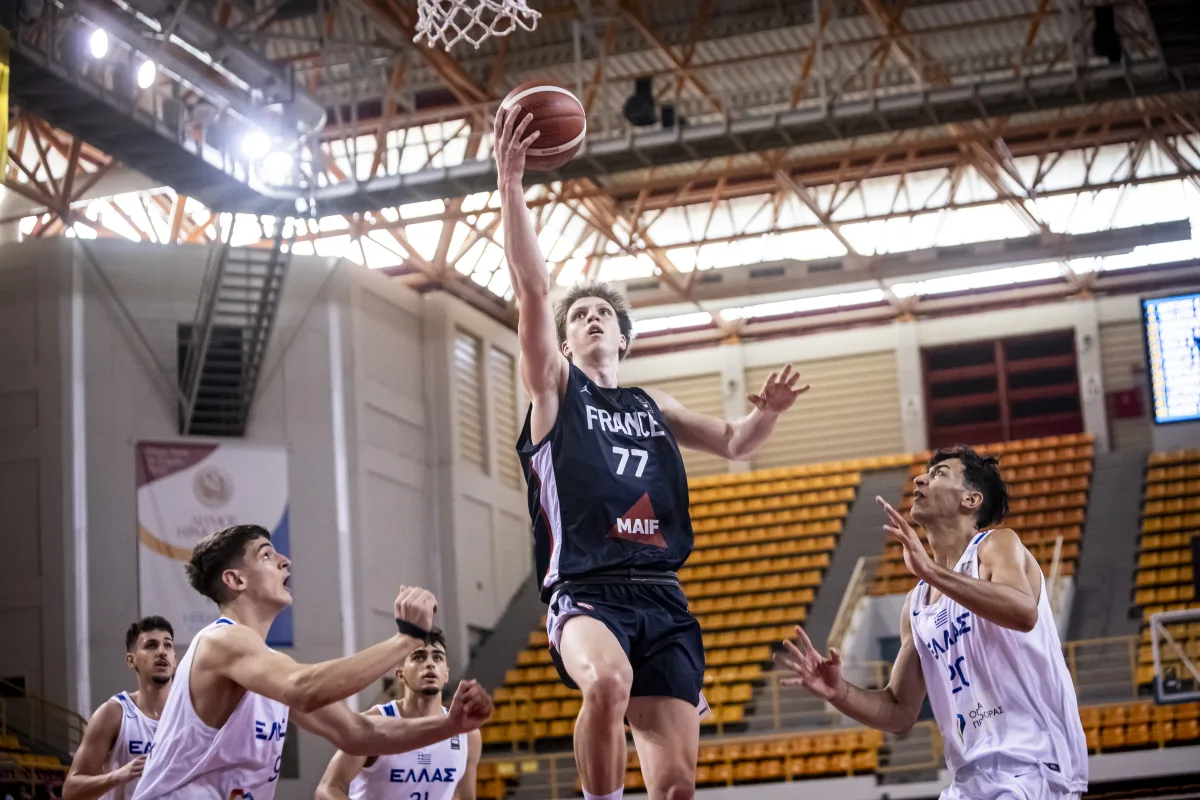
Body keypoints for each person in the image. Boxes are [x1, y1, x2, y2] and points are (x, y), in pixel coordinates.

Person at [493, 106, 810, 800]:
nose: (591, 318)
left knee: (676, 789)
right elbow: (532, 287)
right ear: (564, 342)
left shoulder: (653, 405)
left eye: (603, 313)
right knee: (607, 682)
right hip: (587, 589)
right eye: (580, 316)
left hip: (663, 596)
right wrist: (511, 183)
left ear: (624, 339)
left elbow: (734, 442)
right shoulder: (555, 390)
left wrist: (767, 412)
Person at [776, 446, 1088, 800]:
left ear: (971, 499)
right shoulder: (917, 603)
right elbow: (899, 710)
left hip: (1035, 765)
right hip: (970, 778)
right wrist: (839, 692)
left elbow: (1022, 611)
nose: (920, 479)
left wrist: (931, 571)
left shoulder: (996, 545)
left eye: (939, 474)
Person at [132, 524, 492, 800]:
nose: (284, 561)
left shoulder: (266, 667)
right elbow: (303, 688)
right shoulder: (220, 641)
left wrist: (450, 725)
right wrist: (407, 639)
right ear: (236, 579)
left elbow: (358, 734)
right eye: (266, 555)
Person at [315, 630, 481, 800]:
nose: (430, 664)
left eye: (437, 657)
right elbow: (327, 790)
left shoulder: (467, 735)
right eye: (419, 657)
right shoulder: (372, 724)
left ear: (446, 674)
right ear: (400, 674)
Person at [62, 616, 176, 800]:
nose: (161, 652)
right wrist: (117, 776)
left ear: (175, 659)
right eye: (151, 645)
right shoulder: (113, 714)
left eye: (167, 645)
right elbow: (71, 792)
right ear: (131, 660)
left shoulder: (190, 713)